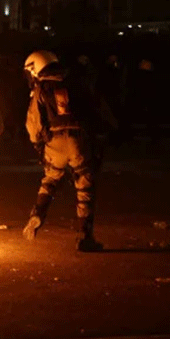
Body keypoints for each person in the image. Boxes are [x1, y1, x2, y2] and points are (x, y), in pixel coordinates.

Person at [21, 50, 104, 252]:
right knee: (84, 187)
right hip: (78, 139)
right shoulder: (76, 82)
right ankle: (85, 236)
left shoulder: (41, 89)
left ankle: (38, 214)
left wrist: (38, 145)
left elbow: (34, 123)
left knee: (50, 180)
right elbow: (95, 109)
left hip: (55, 141)